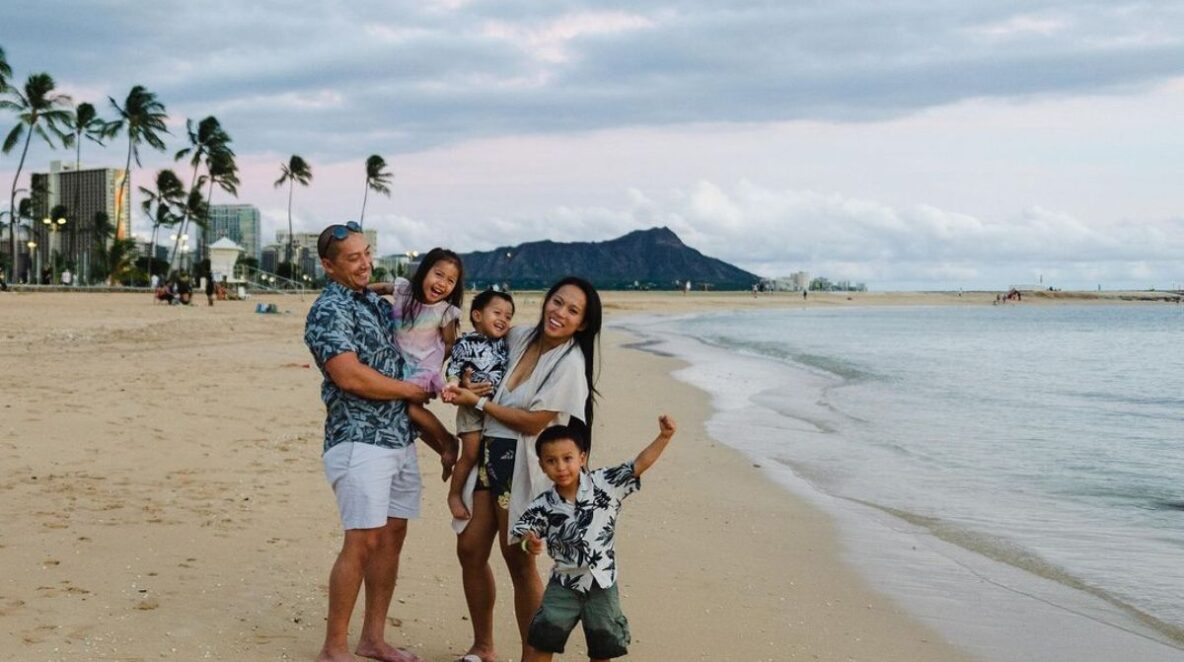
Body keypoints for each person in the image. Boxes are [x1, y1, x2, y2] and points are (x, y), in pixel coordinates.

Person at [304, 221, 454, 662]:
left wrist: (440, 438)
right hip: (358, 440)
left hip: (398, 438)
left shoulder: (371, 300)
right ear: (328, 266)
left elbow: (415, 318)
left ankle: (373, 638)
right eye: (353, 258)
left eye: (367, 252)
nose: (365, 263)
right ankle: (334, 648)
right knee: (363, 540)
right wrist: (412, 390)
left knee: (391, 536)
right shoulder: (330, 309)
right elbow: (348, 375)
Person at [444, 276, 602, 662]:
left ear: (581, 324)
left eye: (572, 310)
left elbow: (534, 423)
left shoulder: (570, 363)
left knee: (518, 559)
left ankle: (533, 657)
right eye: (557, 302)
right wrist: (468, 380)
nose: (559, 312)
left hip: (523, 462)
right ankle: (483, 646)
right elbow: (479, 348)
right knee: (470, 548)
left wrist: (479, 405)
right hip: (489, 454)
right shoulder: (520, 336)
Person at [512, 416, 677, 661]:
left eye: (567, 458)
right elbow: (523, 535)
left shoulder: (605, 484)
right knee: (542, 641)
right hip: (564, 584)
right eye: (551, 461)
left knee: (603, 647)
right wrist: (531, 543)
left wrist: (663, 437)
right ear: (542, 466)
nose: (561, 467)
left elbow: (638, 465)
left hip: (602, 583)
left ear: (582, 458)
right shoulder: (542, 504)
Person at [369, 247, 465, 480]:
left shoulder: (444, 312)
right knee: (407, 414)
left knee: (409, 409)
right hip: (399, 364)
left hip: (423, 367)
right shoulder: (404, 291)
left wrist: (432, 368)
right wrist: (355, 292)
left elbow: (451, 343)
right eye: (438, 274)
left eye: (451, 280)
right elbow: (381, 288)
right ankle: (444, 446)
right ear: (424, 271)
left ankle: (448, 443)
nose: (442, 283)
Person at [445, 289, 516, 520]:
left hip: (494, 408)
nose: (503, 319)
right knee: (472, 453)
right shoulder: (465, 343)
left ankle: (477, 493)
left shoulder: (504, 344)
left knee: (489, 457)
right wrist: (454, 386)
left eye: (508, 316)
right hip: (470, 408)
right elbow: (453, 368)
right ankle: (454, 495)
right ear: (477, 315)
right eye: (497, 313)